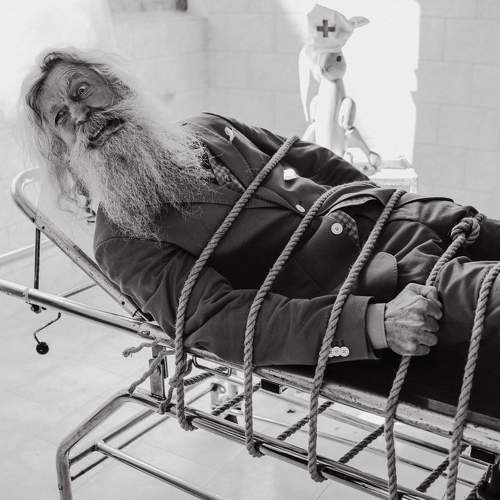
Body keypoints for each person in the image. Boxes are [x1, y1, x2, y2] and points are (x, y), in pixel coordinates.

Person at [19, 48, 500, 367]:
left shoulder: (207, 127)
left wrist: (384, 204)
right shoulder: (122, 236)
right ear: (63, 148)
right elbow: (217, 319)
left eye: (82, 90)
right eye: (61, 116)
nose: (80, 113)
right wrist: (373, 323)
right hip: (380, 286)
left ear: (117, 87)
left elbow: (315, 161)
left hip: (416, 219)